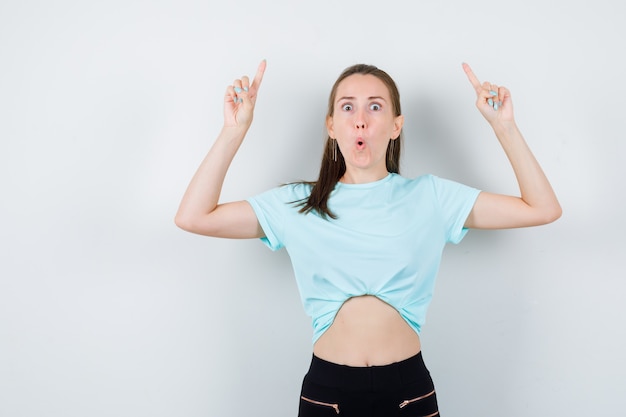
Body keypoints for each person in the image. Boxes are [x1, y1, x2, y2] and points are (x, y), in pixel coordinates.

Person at [175, 60, 561, 416]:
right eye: (348, 107)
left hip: (407, 392)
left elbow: (542, 209)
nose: (360, 120)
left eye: (375, 107)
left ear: (396, 125)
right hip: (328, 394)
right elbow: (194, 217)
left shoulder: (431, 197)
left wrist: (504, 127)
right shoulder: (298, 203)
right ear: (331, 125)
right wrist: (233, 131)